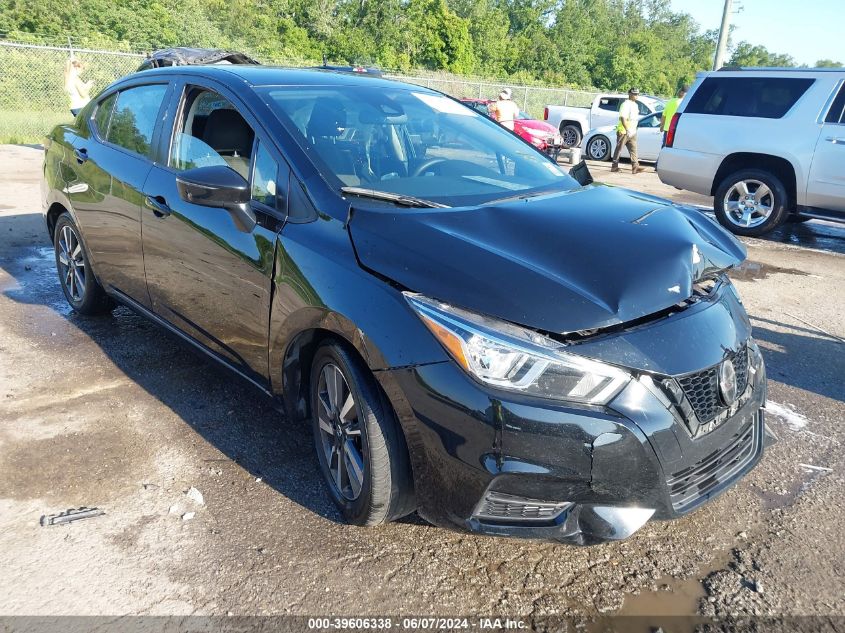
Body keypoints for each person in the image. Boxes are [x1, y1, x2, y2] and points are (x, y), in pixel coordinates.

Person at [611, 88, 643, 174]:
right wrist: (627, 129)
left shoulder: (635, 105)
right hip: (624, 131)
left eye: (637, 94)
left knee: (633, 149)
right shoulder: (625, 104)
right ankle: (614, 166)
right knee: (619, 149)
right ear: (629, 94)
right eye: (634, 94)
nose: (636, 96)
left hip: (632, 131)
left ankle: (635, 167)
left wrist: (633, 130)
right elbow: (623, 118)